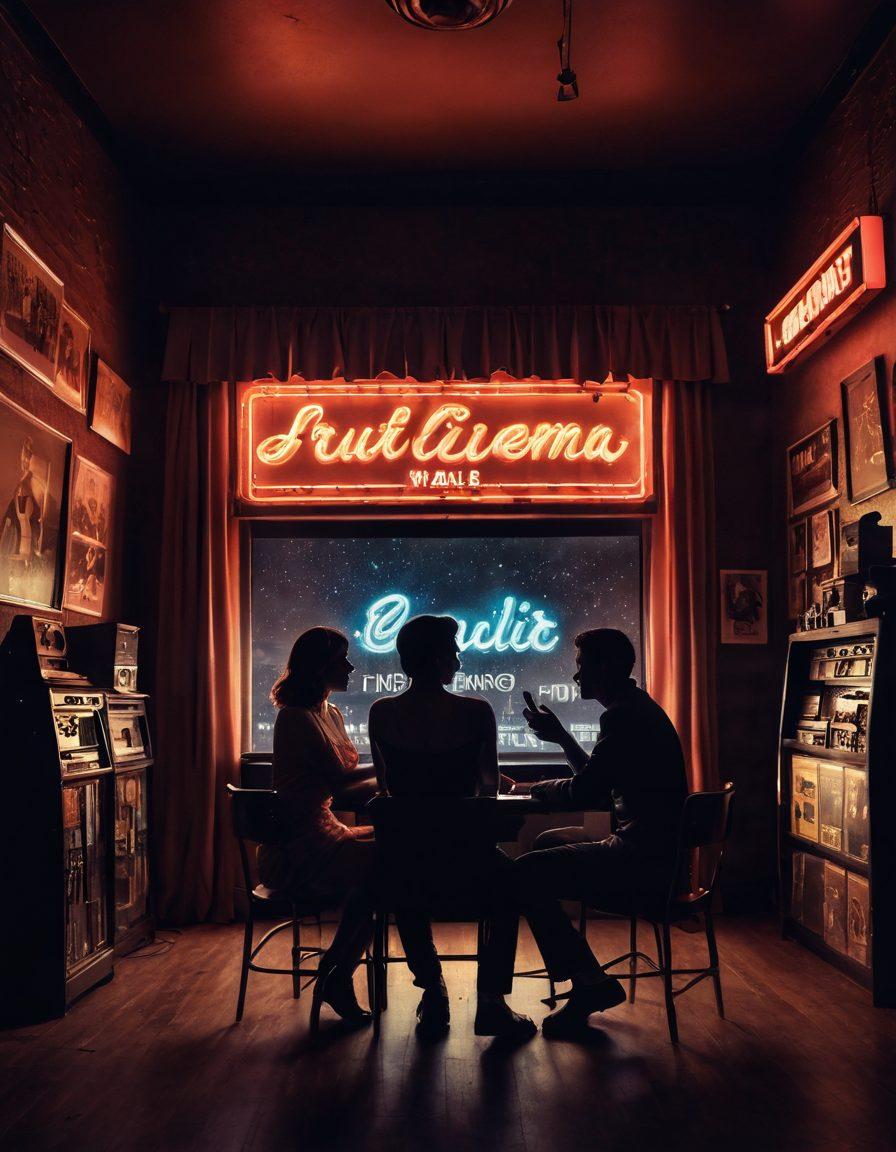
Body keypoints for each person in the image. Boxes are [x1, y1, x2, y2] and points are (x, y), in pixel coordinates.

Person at [368, 614, 536, 1041]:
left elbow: (388, 791)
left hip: (408, 858)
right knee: (512, 885)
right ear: (441, 658)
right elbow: (486, 790)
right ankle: (492, 1003)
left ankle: (433, 988)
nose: (460, 656)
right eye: (455, 649)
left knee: (400, 875)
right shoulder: (477, 711)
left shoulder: (382, 713)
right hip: (467, 857)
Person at [515, 627, 688, 1037]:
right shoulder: (634, 708)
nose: (575, 677)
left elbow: (586, 790)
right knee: (547, 844)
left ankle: (589, 983)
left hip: (639, 862)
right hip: (657, 855)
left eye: (580, 666)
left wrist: (532, 788)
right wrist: (561, 739)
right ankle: (584, 971)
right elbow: (599, 780)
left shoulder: (623, 716)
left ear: (604, 667)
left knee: (524, 872)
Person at [259, 627, 376, 1026]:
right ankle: (337, 975)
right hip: (298, 843)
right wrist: (396, 763)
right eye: (341, 659)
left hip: (324, 828)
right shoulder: (294, 717)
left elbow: (344, 783)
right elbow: (343, 782)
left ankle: (336, 974)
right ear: (320, 666)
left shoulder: (330, 712)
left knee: (393, 853)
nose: (350, 666)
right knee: (388, 864)